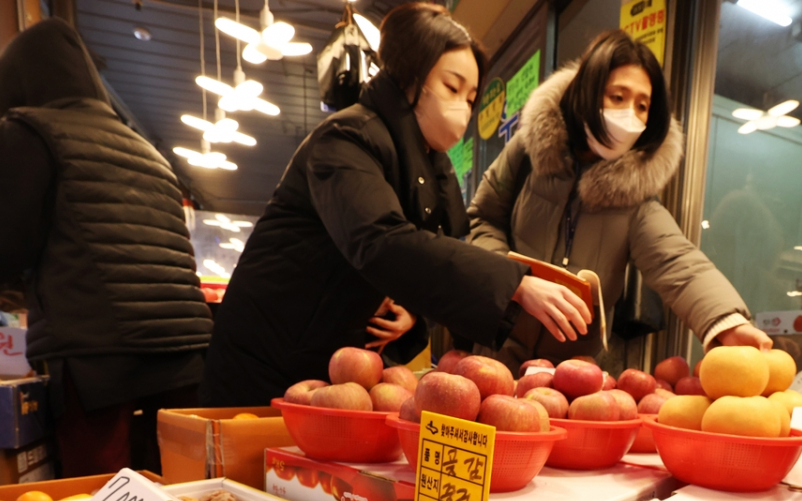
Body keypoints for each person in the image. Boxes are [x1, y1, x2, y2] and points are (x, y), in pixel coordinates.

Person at [200, 2, 589, 406]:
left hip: (333, 371)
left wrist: (411, 311)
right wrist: (515, 283)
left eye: (472, 97)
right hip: (265, 363)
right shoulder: (348, 137)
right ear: (409, 77)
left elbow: (435, 247)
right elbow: (380, 240)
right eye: (452, 87)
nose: (463, 107)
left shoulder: (433, 166)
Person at [467, 30, 771, 368]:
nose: (630, 115)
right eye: (617, 97)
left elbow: (679, 262)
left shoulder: (635, 199)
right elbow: (482, 218)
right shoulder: (528, 152)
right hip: (493, 354)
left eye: (642, 106)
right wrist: (516, 282)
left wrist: (728, 322)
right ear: (587, 93)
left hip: (571, 378)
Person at [0, 19, 214, 476]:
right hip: (182, 349)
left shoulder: (31, 131)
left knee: (103, 495)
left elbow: (6, 245)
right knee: (178, 486)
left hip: (96, 353)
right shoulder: (148, 151)